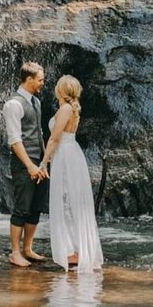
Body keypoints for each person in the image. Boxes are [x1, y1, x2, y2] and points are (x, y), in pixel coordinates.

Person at [38, 75, 103, 273]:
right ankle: (75, 248)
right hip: (69, 153)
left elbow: (55, 138)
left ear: (61, 90)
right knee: (70, 200)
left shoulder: (66, 108)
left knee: (67, 199)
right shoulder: (71, 108)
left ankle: (74, 251)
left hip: (65, 155)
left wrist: (43, 162)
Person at [2, 60, 49, 268]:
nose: (42, 83)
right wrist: (30, 165)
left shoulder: (36, 102)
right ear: (29, 79)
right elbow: (14, 140)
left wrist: (45, 162)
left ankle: (28, 249)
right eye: (40, 80)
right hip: (24, 164)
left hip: (40, 162)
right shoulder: (13, 104)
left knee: (36, 207)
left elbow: (39, 134)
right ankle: (15, 253)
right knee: (22, 207)